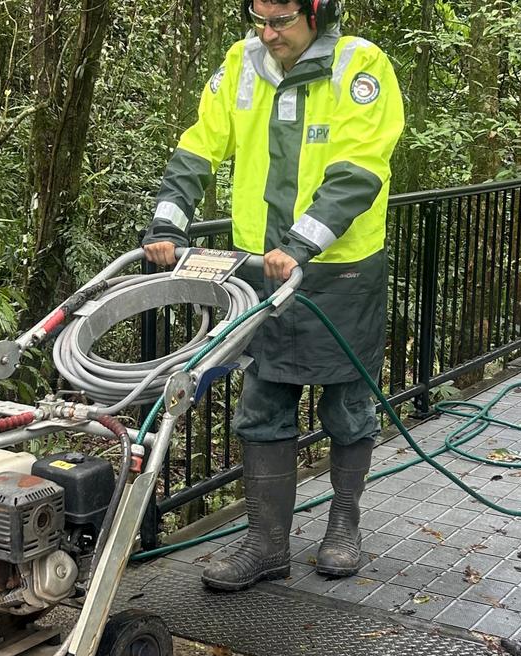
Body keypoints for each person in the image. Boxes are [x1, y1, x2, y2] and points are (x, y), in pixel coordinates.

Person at [142, 0, 404, 591]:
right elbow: (199, 147)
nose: (268, 33)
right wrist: (167, 223)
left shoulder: (359, 66)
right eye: (259, 18)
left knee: (346, 403)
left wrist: (301, 243)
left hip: (337, 271)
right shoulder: (242, 64)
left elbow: (359, 168)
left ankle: (343, 524)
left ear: (317, 13)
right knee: (261, 403)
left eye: (281, 20)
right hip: (261, 272)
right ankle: (266, 542)